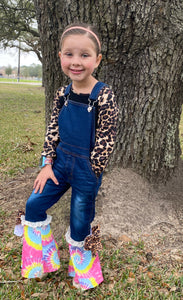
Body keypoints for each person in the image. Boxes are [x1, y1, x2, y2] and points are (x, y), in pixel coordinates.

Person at [14, 23, 119, 291]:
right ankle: (42, 263)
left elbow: (107, 137)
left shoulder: (103, 95)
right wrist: (46, 164)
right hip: (58, 165)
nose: (76, 61)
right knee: (34, 205)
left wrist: (93, 170)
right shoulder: (62, 94)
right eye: (69, 54)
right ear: (60, 56)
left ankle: (84, 274)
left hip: (86, 169)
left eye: (84, 55)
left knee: (79, 222)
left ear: (97, 60)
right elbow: (52, 130)